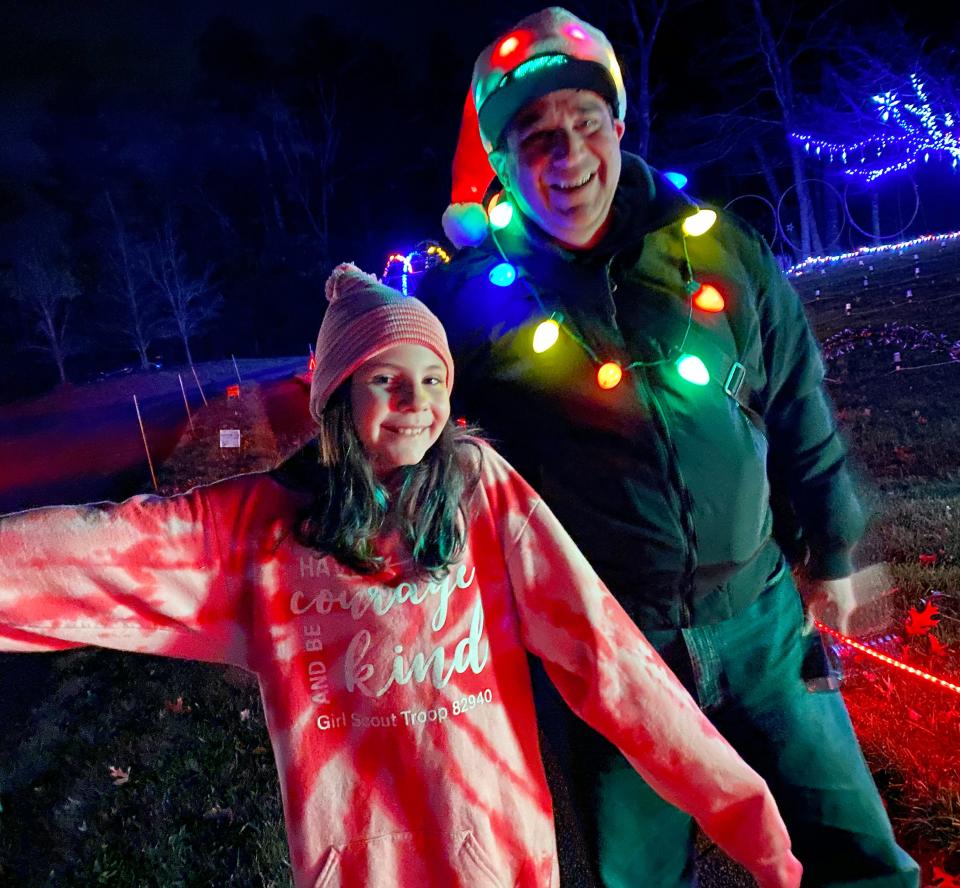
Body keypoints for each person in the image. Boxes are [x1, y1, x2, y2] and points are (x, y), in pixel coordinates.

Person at [0, 264, 802, 888]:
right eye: (386, 379)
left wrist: (742, 810)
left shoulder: (479, 493)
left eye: (433, 378)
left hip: (497, 848)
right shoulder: (264, 530)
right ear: (338, 397)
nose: (416, 401)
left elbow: (609, 657)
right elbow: (100, 549)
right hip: (357, 862)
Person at [417, 7, 920, 888]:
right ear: (500, 160)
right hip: (609, 651)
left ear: (618, 126)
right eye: (535, 137)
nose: (568, 156)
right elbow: (399, 433)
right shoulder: (465, 304)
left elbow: (796, 397)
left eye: (584, 123)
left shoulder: (718, 249)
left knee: (857, 854)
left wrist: (833, 549)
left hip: (762, 619)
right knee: (637, 877)